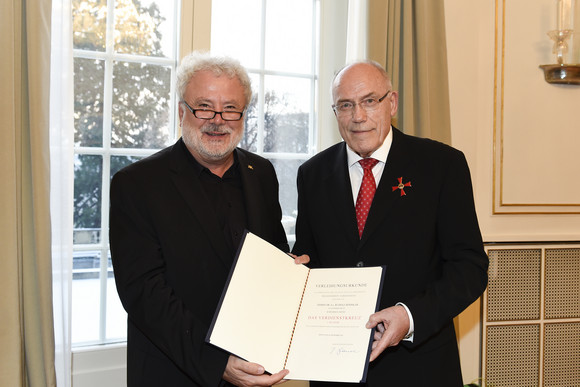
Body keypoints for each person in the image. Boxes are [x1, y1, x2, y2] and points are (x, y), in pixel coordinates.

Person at [110, 51, 306, 387]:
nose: (217, 119)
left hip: (256, 368)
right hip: (174, 373)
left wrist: (286, 269)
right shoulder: (137, 184)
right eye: (204, 105)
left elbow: (271, 251)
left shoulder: (261, 173)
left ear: (244, 115)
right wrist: (216, 362)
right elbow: (144, 293)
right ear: (181, 111)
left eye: (230, 108)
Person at [292, 60, 489, 386]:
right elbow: (309, 259)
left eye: (370, 101)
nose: (358, 116)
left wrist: (409, 316)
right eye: (346, 105)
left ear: (392, 102)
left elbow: (469, 267)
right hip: (334, 370)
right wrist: (290, 272)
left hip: (418, 367)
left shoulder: (441, 166)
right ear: (335, 111)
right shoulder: (312, 175)